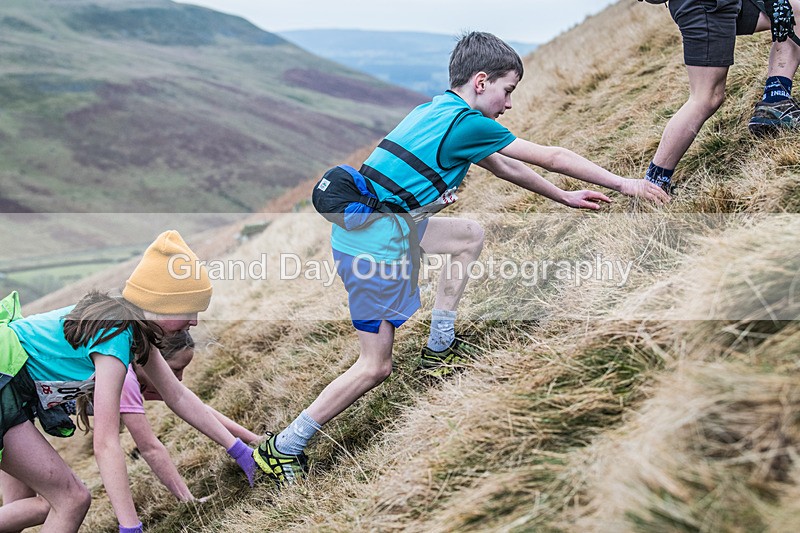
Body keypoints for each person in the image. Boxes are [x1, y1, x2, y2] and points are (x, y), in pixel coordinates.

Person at [251, 31, 669, 486]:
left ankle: (440, 345)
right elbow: (552, 155)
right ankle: (283, 447)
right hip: (373, 249)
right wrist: (627, 185)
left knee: (468, 235)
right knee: (375, 366)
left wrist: (562, 197)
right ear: (482, 81)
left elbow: (504, 165)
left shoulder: (434, 110)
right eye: (508, 91)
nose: (508, 104)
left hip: (386, 232)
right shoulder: (465, 123)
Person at [0, 230, 257, 533]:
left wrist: (240, 451)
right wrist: (130, 526)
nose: (195, 321)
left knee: (23, 505)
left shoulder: (132, 329)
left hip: (12, 391)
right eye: (189, 310)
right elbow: (106, 443)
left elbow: (178, 397)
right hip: (6, 388)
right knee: (71, 499)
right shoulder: (115, 336)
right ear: (160, 304)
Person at [0, 330, 260, 524]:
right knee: (54, 504)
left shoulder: (137, 373)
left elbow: (197, 408)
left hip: (15, 413)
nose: (178, 378)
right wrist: (187, 500)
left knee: (19, 510)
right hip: (10, 412)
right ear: (149, 359)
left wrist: (252, 440)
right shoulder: (125, 378)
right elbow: (149, 447)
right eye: (175, 369)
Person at [643, 0, 800, 194]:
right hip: (705, 6)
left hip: (732, 2)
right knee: (705, 99)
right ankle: (653, 184)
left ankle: (776, 100)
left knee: (795, 11)